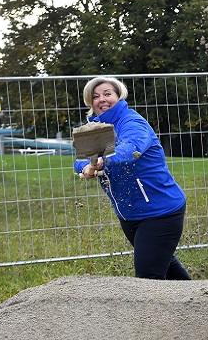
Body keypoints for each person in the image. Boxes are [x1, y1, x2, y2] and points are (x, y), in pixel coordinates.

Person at [74, 77, 191, 280]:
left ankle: (154, 313)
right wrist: (86, 167)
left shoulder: (132, 122)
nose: (102, 99)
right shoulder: (93, 128)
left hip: (159, 211)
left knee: (148, 277)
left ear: (119, 95)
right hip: (130, 214)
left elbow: (130, 149)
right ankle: (201, 304)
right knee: (165, 265)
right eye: (95, 96)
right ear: (90, 102)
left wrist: (101, 161)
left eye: (107, 94)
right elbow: (80, 159)